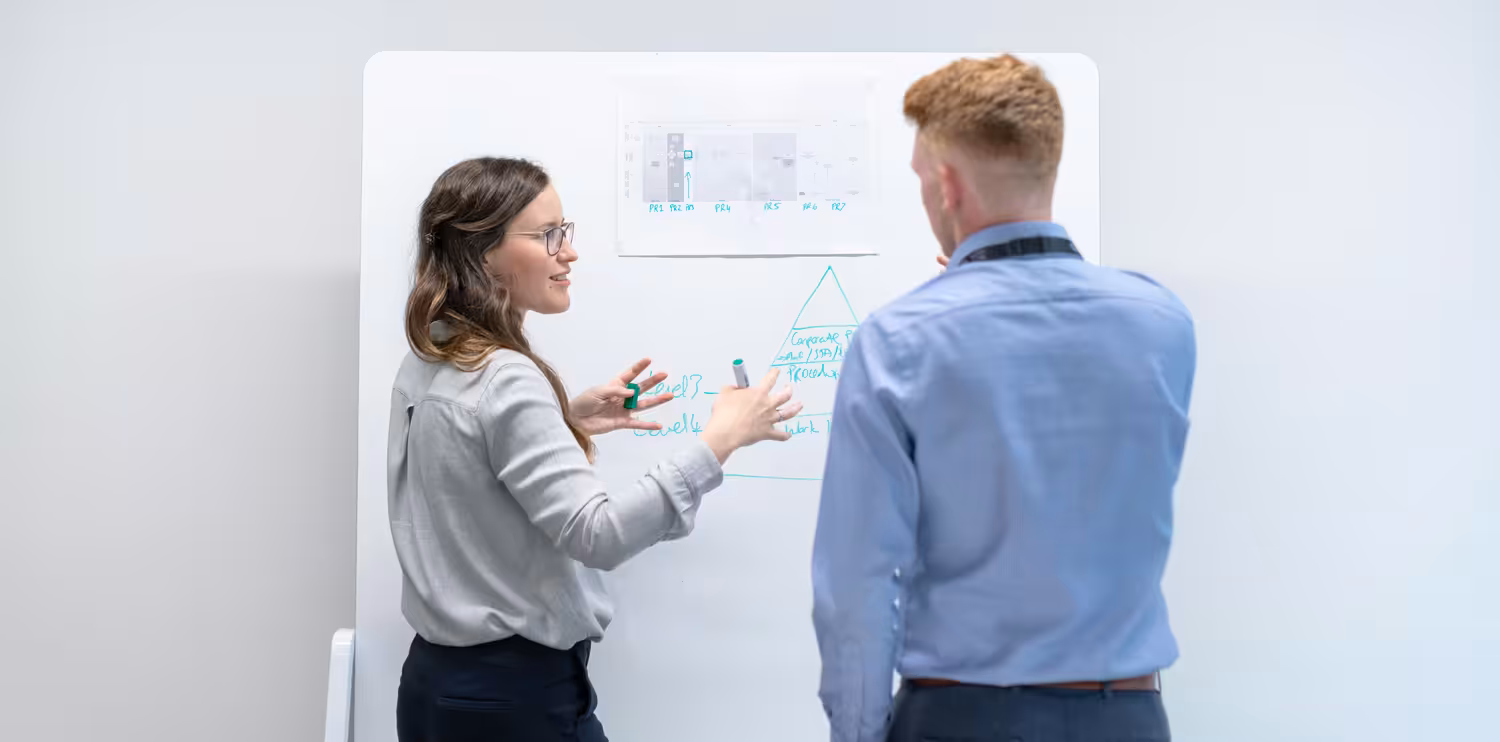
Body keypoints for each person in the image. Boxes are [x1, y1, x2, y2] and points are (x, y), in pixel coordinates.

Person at [810, 54, 1196, 742]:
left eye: (922, 181)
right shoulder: (1162, 324)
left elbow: (858, 587)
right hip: (1130, 719)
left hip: (964, 719)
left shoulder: (900, 342)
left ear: (948, 186)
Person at [388, 156, 803, 742]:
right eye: (547, 235)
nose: (568, 252)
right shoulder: (506, 377)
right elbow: (598, 535)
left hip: (439, 688)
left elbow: (463, 468)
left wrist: (564, 420)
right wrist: (721, 440)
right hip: (515, 701)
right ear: (484, 255)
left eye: (566, 231)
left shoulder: (435, 353)